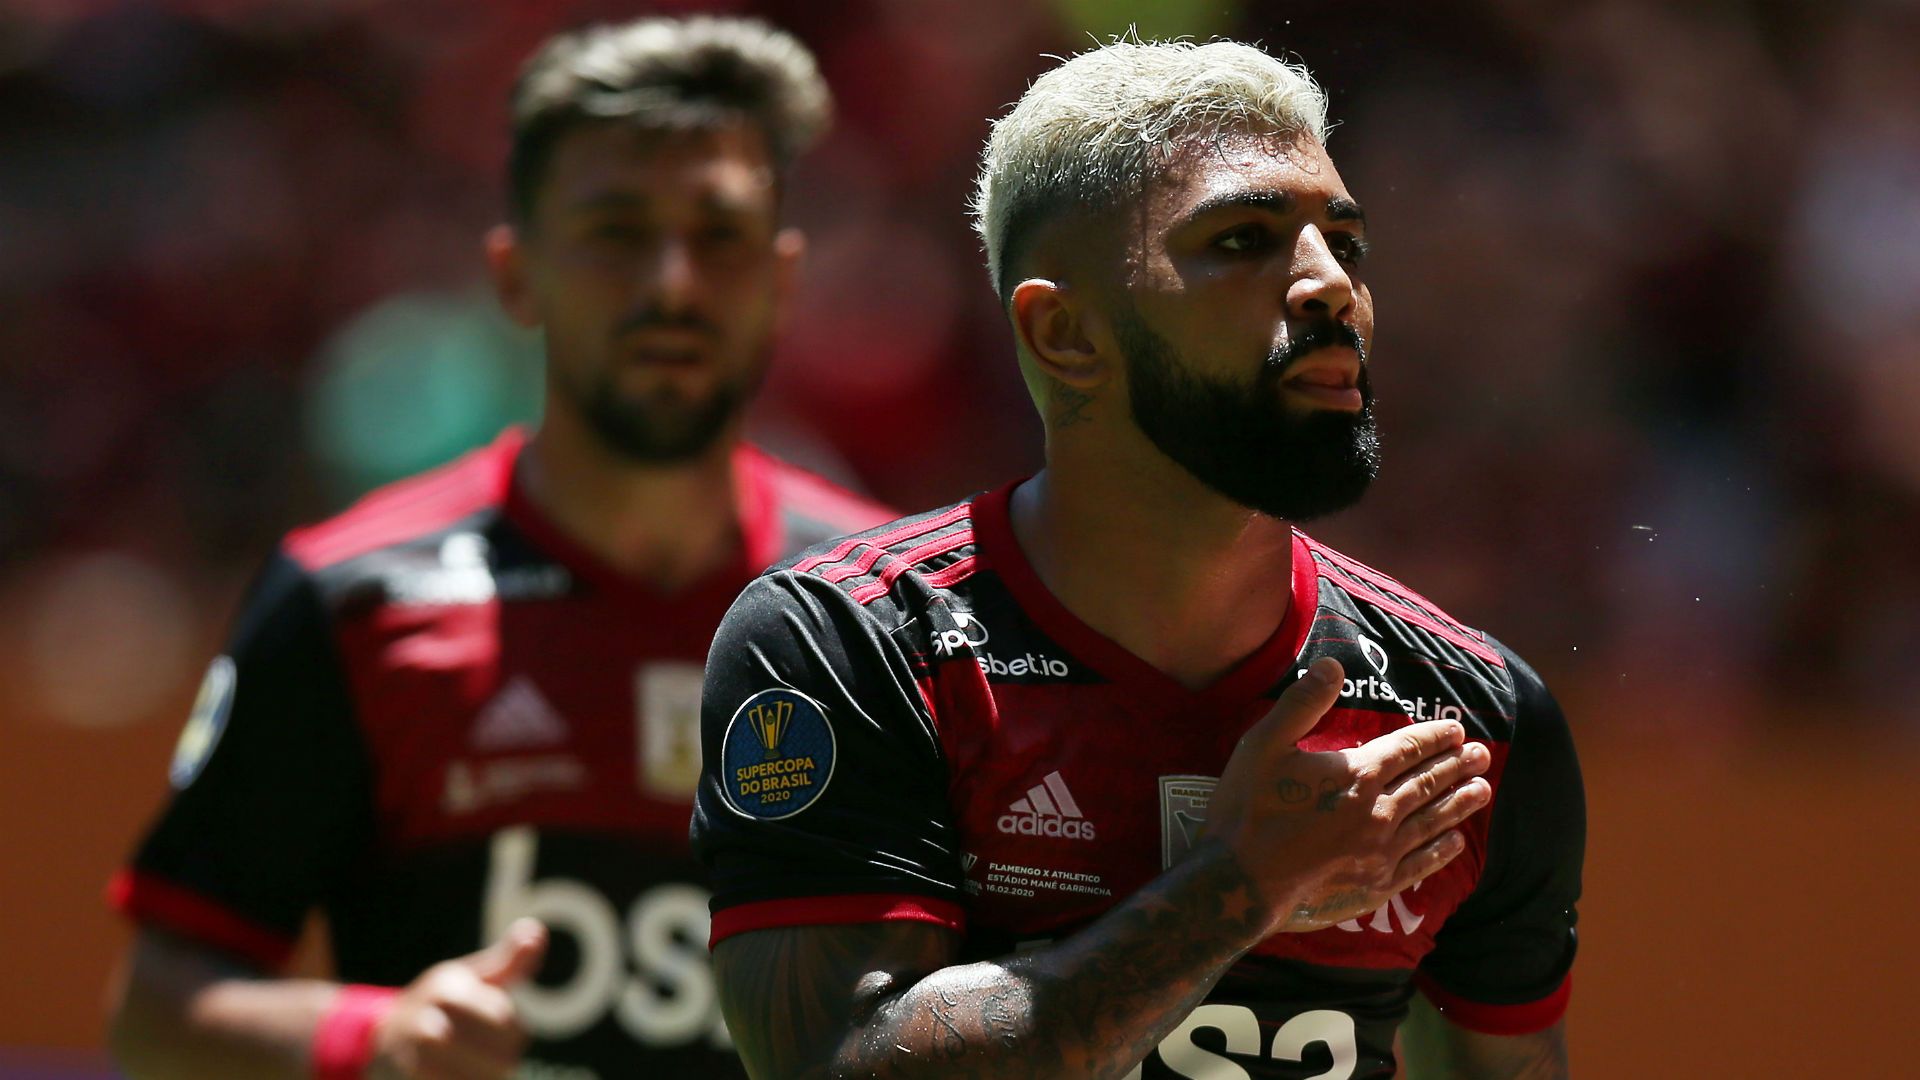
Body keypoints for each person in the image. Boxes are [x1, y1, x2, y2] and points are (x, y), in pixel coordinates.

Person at [691, 37, 1584, 1080]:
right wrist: (1241, 889)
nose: (1329, 285)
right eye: (1244, 239)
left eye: (1345, 242)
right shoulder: (847, 646)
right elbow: (832, 1064)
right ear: (1065, 334)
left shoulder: (1473, 719)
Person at [105, 16, 892, 1080]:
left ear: (783, 277)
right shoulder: (353, 598)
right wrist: (374, 1037)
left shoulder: (881, 610)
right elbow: (155, 1007)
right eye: (616, 231)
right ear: (515, 275)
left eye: (719, 234)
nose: (672, 283)